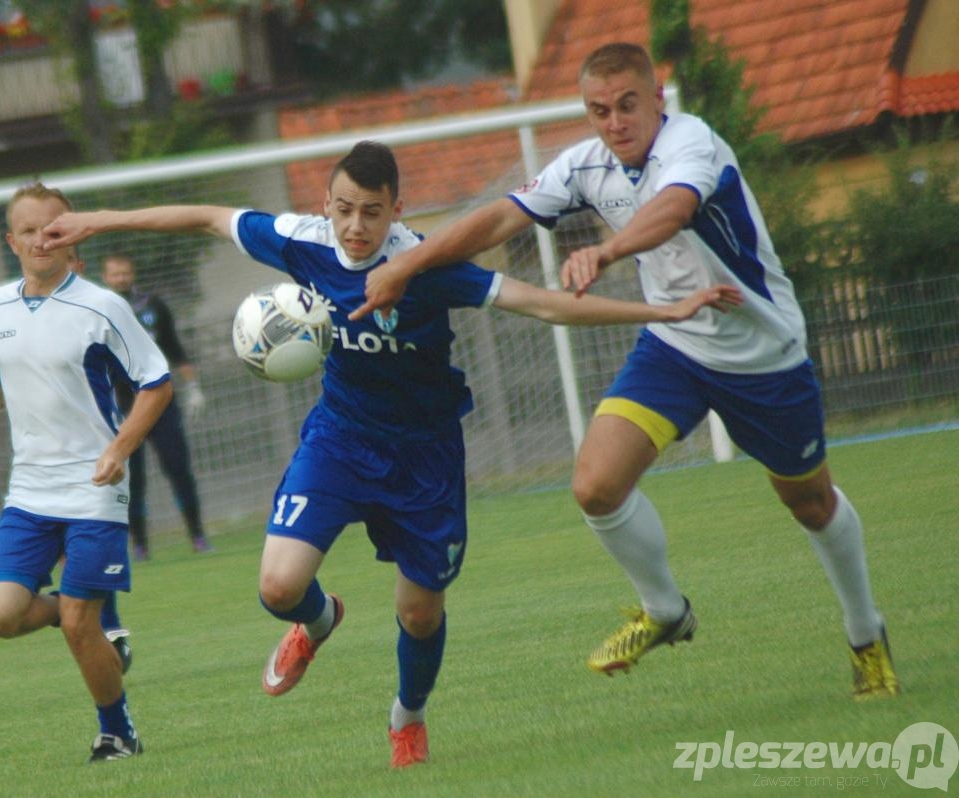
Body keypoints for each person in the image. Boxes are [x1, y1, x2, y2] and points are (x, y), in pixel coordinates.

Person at [40, 140, 740, 767]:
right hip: (340, 439)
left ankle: (407, 716)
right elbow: (204, 218)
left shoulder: (427, 266)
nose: (354, 226)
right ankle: (319, 620)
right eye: (343, 209)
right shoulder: (303, 242)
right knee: (277, 588)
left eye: (371, 213)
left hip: (424, 457)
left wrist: (665, 312)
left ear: (395, 211)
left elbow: (545, 304)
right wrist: (97, 222)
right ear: (326, 204)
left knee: (419, 614)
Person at [351, 44, 900, 700]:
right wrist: (406, 265)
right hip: (675, 347)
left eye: (627, 105)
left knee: (809, 502)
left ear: (657, 98)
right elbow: (500, 216)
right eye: (600, 110)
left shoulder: (692, 143)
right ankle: (665, 611)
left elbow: (672, 210)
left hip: (764, 357)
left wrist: (606, 251)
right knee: (596, 486)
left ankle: (865, 632)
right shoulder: (585, 164)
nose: (614, 122)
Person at [0, 182, 172, 763]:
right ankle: (93, 616)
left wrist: (120, 449)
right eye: (29, 230)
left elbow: (157, 382)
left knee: (76, 625)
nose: (41, 239)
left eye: (53, 229)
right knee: (0, 615)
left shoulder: (102, 306)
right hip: (29, 491)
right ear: (11, 241)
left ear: (73, 237)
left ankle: (117, 733)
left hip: (94, 488)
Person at [99, 253, 213, 557]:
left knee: (179, 469)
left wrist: (193, 387)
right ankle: (140, 544)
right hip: (123, 409)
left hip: (160, 404)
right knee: (131, 479)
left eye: (125, 273)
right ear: (106, 277)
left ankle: (198, 535)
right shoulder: (97, 312)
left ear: (132, 273)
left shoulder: (153, 306)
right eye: (115, 274)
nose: (121, 278)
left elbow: (174, 348)